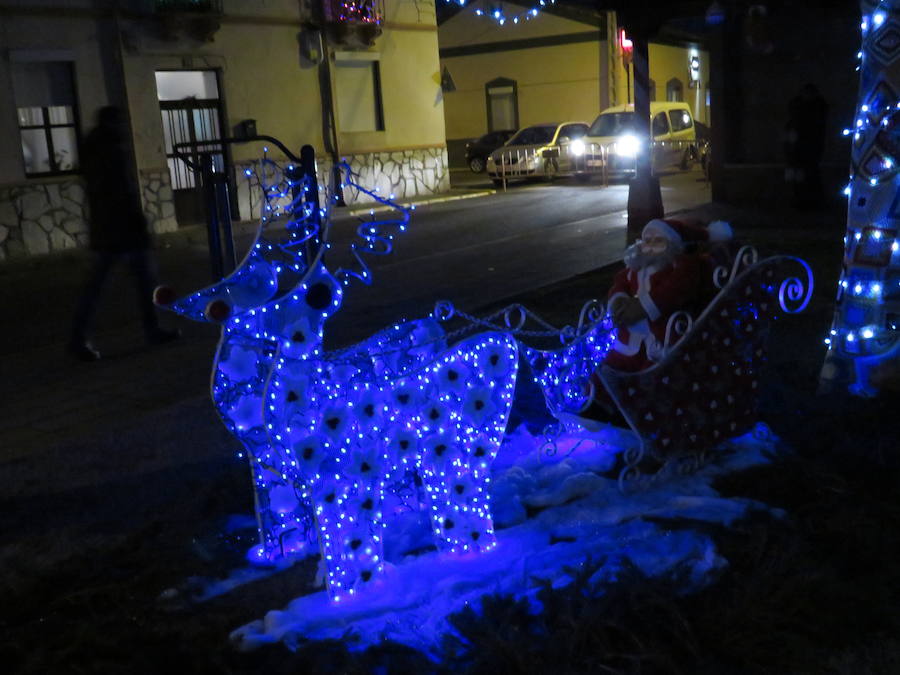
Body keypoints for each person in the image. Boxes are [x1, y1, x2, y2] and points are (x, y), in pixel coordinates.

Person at [68, 106, 179, 361]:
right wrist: (138, 224)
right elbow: (122, 191)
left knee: (103, 286)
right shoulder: (112, 148)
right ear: (114, 123)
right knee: (137, 282)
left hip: (109, 228)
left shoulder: (95, 146)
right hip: (122, 228)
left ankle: (79, 337)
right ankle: (149, 331)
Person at [602, 217, 733, 374]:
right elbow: (620, 281)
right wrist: (619, 299)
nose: (650, 246)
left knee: (652, 367)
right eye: (647, 240)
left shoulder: (680, 267)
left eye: (658, 241)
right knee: (612, 359)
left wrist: (643, 307)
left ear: (672, 245)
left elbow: (675, 289)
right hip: (630, 331)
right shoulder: (637, 266)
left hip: (663, 330)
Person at [784, 83, 828, 210]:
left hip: (808, 147)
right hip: (800, 148)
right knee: (801, 176)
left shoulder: (815, 109)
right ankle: (801, 201)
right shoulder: (801, 109)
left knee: (809, 175)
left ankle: (808, 202)